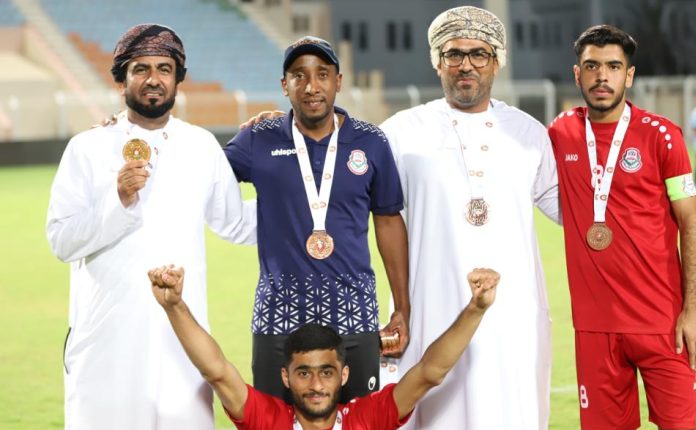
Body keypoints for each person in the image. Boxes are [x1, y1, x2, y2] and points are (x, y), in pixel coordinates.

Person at [46, 24, 257, 430]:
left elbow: (236, 223)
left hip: (182, 342)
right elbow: (61, 240)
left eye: (164, 68)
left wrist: (302, 203)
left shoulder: (200, 145)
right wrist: (118, 200)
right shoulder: (87, 148)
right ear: (121, 79)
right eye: (140, 68)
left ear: (178, 79)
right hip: (107, 342)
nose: (153, 79)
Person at [379, 6, 560, 429]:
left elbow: (573, 213)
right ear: (436, 61)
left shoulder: (529, 133)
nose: (466, 65)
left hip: (512, 314)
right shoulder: (400, 132)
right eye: (453, 54)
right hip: (430, 308)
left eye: (479, 54)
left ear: (497, 61)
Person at [223, 36, 410, 403]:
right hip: (279, 317)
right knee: (275, 423)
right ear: (284, 85)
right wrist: (127, 128)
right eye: (299, 76)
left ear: (338, 81)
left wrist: (402, 308)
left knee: (357, 423)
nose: (311, 86)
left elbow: (388, 220)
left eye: (322, 74)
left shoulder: (371, 142)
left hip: (353, 315)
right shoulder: (259, 139)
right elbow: (205, 175)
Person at [547, 25, 696, 430]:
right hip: (595, 328)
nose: (602, 76)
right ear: (576, 74)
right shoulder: (560, 133)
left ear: (629, 75)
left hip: (663, 323)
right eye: (592, 66)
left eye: (614, 66)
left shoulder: (663, 137)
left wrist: (693, 311)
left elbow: (690, 221)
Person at [148, 264, 499, 430]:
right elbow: (216, 371)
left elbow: (429, 373)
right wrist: (175, 307)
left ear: (343, 376)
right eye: (304, 373)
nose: (316, 385)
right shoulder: (269, 420)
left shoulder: (365, 419)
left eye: (326, 373)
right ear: (286, 377)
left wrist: (476, 309)